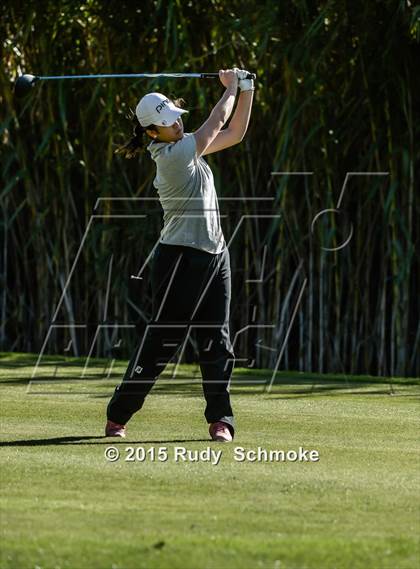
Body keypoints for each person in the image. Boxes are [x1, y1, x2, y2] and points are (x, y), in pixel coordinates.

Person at [105, 68, 254, 442]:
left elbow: (235, 133)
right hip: (179, 259)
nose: (176, 126)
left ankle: (221, 419)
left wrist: (247, 88)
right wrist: (231, 87)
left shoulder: (187, 147)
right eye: (169, 124)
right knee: (162, 342)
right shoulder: (171, 157)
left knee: (217, 341)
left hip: (215, 256)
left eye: (176, 119)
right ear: (152, 132)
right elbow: (217, 121)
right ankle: (118, 415)